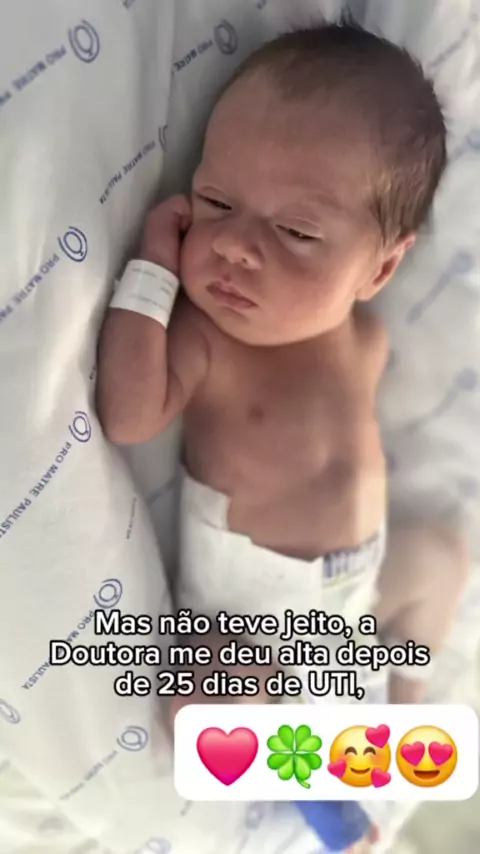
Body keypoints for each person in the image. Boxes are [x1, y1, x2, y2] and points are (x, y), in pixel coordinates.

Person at [96, 17, 464, 852]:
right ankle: (328, 796)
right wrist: (153, 268)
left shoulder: (366, 342)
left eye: (296, 233)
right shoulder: (210, 340)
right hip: (248, 621)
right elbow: (127, 415)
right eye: (217, 203)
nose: (233, 246)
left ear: (380, 268)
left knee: (444, 554)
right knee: (203, 707)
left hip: (353, 595)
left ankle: (398, 709)